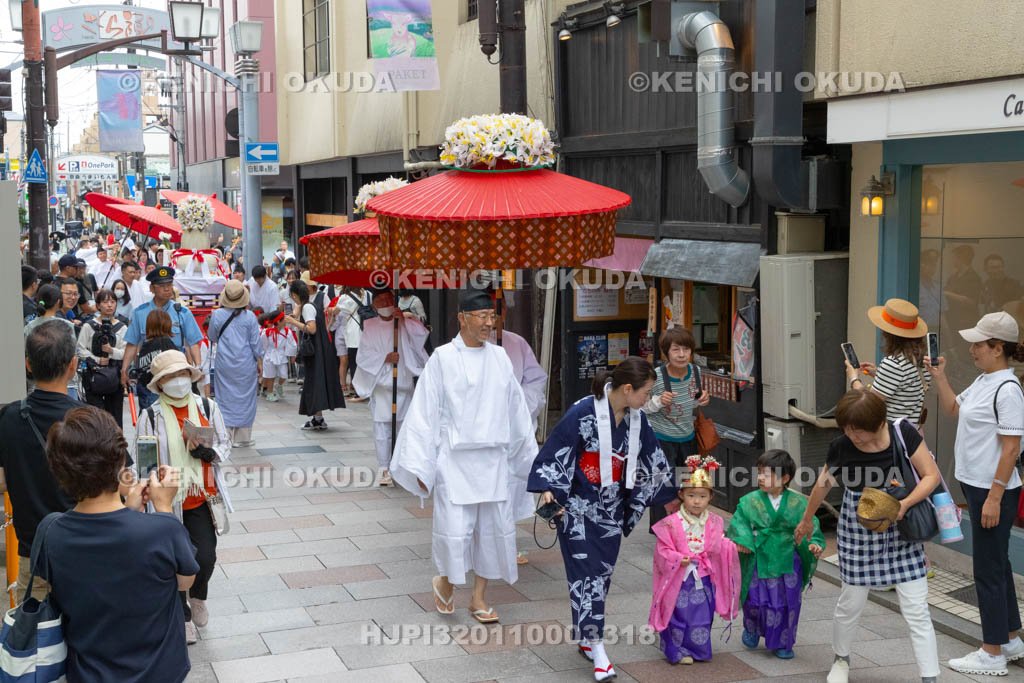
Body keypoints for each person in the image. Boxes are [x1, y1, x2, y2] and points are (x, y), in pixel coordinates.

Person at [390, 288, 538, 625]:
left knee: (493, 530)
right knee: (456, 531)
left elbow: (515, 409)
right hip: (455, 461)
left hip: (493, 460)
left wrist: (528, 459)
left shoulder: (500, 357)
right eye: (482, 317)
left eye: (492, 316)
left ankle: (478, 597)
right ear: (461, 319)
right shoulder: (442, 358)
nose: (489, 323)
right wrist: (422, 463)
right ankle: (446, 580)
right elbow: (425, 412)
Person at [529, 357, 676, 681]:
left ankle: (585, 635)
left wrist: (671, 499)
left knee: (601, 577)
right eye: (646, 392)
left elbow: (653, 461)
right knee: (588, 576)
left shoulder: (637, 419)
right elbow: (556, 452)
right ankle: (598, 649)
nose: (647, 398)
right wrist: (549, 489)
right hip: (578, 509)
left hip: (611, 511)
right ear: (628, 388)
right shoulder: (583, 412)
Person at [42, 405, 198, 681]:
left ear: (58, 472)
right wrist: (164, 508)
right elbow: (185, 581)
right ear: (120, 464)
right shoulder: (161, 530)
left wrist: (130, 509)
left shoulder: (51, 533)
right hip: (159, 670)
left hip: (89, 671)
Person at [796, 390, 940, 683]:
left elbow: (931, 476)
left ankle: (930, 676)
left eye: (856, 429)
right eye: (845, 428)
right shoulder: (841, 446)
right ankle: (841, 659)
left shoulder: (904, 435)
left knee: (916, 608)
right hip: (857, 527)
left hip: (902, 529)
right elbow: (823, 484)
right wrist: (807, 518)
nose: (851, 435)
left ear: (878, 423)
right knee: (851, 601)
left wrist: (904, 504)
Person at [930, 312, 1024, 676]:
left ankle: (992, 653)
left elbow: (1011, 449)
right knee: (998, 564)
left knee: (986, 569)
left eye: (979, 344)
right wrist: (939, 377)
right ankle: (1010, 638)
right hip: (979, 485)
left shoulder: (1008, 389)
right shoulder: (985, 380)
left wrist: (995, 498)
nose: (972, 350)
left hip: (992, 489)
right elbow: (954, 408)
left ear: (998, 348)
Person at [136, 350, 233, 646]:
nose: (178, 381)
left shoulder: (207, 405)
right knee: (175, 561)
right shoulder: (150, 416)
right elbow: (143, 462)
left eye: (182, 374)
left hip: (202, 495)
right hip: (167, 500)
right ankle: (183, 615)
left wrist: (209, 453)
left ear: (190, 376)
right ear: (160, 383)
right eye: (170, 377)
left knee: (205, 556)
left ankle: (199, 595)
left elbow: (225, 442)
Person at [0, 322, 82, 602]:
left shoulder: (8, 418)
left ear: (28, 365)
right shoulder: (90, 419)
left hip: (31, 559)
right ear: (73, 364)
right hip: (84, 556)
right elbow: (118, 488)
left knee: (36, 641)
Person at [728, 450, 824, 659]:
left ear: (785, 478)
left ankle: (783, 642)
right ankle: (752, 628)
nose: (761, 478)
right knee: (754, 599)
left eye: (768, 474)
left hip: (787, 557)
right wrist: (743, 541)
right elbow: (739, 523)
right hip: (758, 555)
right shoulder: (749, 501)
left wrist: (814, 543)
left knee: (786, 602)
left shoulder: (799, 504)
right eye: (760, 473)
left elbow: (810, 526)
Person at [650, 455, 740, 666]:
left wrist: (729, 546)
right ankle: (677, 650)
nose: (696, 501)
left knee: (702, 614)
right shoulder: (671, 523)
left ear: (710, 497)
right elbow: (662, 550)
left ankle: (698, 649)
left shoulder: (715, 521)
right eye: (691, 495)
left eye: (702, 495)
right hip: (679, 574)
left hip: (704, 574)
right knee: (678, 613)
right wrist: (677, 557)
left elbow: (719, 544)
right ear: (681, 495)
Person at [353, 289, 429, 486]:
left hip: (402, 382)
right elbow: (363, 356)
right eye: (381, 300)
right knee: (382, 428)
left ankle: (402, 466)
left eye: (389, 299)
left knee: (404, 427)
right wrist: (384, 358)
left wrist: (403, 321)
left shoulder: (402, 321)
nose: (386, 303)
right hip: (382, 384)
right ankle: (384, 467)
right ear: (374, 306)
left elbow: (420, 338)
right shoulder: (369, 325)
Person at [642, 326, 710, 531]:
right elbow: (642, 406)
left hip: (687, 436)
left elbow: (692, 401)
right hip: (661, 437)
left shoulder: (695, 372)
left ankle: (686, 523)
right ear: (666, 353)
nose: (682, 355)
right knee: (664, 483)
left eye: (686, 350)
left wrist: (703, 400)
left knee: (688, 481)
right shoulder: (657, 377)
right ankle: (661, 527)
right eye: (676, 350)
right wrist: (658, 401)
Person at [121, 266, 204, 389]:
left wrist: (198, 366)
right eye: (161, 286)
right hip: (150, 373)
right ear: (151, 288)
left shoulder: (182, 312)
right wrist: (124, 370)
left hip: (176, 373)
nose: (166, 289)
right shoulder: (140, 313)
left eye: (169, 284)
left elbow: (193, 343)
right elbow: (132, 344)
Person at [849, 299, 930, 424]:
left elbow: (867, 404)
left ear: (888, 333)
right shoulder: (920, 358)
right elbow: (906, 388)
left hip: (894, 436)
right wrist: (879, 374)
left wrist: (854, 378)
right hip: (913, 433)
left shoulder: (893, 364)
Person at [208, 280, 263, 448]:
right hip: (245, 363)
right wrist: (259, 361)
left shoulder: (217, 315)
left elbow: (212, 336)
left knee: (224, 397)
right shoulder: (250, 317)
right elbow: (256, 343)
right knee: (246, 398)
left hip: (224, 362)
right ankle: (243, 437)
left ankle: (225, 434)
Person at [285, 278, 344, 430]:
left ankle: (317, 418)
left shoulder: (308, 308)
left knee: (315, 382)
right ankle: (318, 418)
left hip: (316, 351)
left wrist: (293, 322)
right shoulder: (307, 305)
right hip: (319, 349)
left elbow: (311, 328)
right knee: (315, 382)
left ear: (295, 295)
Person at [77, 289, 129, 429]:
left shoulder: (122, 327)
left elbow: (126, 352)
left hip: (114, 377)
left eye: (113, 302)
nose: (110, 305)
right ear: (98, 305)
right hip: (93, 375)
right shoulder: (89, 326)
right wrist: (96, 359)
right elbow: (80, 349)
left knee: (115, 416)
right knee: (95, 416)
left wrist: (111, 352)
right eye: (105, 302)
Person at [133, 310, 180, 411]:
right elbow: (177, 363)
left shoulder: (145, 346)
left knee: (147, 420)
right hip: (159, 389)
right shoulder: (166, 342)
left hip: (144, 389)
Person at [259, 311, 296, 402]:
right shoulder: (267, 332)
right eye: (284, 319)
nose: (286, 321)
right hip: (270, 355)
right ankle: (270, 393)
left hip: (281, 354)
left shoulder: (287, 332)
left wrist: (292, 355)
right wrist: (265, 352)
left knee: (284, 375)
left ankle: (279, 385)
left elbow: (292, 344)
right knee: (270, 375)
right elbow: (263, 344)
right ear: (279, 321)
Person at [918, 249, 942, 331]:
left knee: (933, 343)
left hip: (934, 329)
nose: (932, 268)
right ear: (921, 265)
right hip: (918, 329)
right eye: (929, 264)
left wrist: (948, 337)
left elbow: (942, 314)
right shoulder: (915, 287)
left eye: (934, 264)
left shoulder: (937, 287)